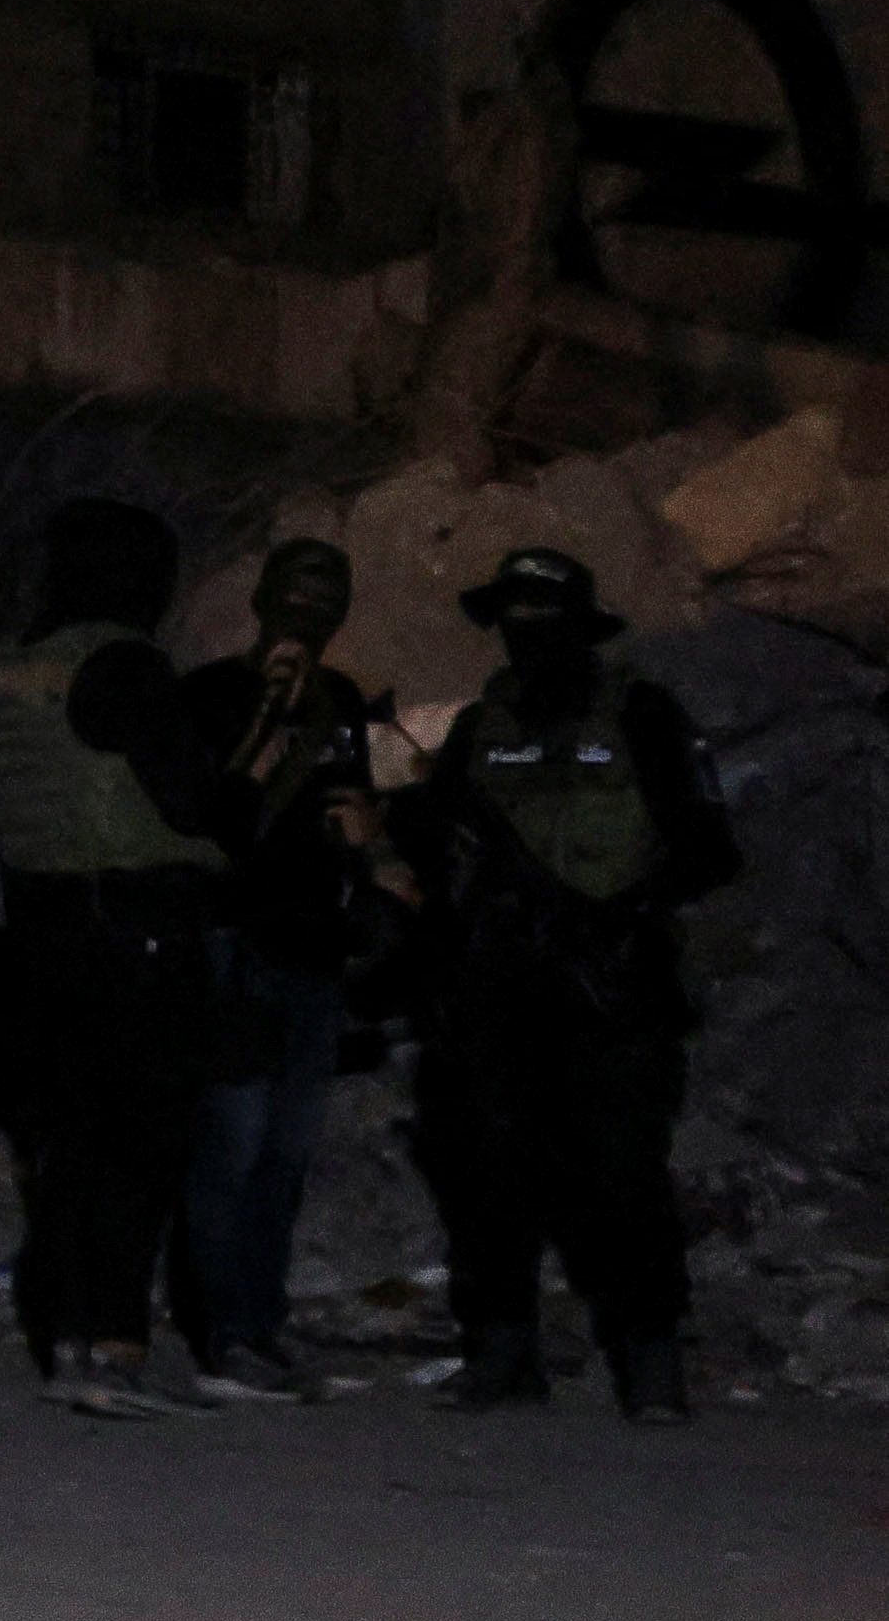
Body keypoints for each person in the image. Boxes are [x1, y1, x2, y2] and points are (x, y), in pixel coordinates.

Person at [394, 547, 741, 1423]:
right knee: (491, 1178)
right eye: (514, 617)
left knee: (622, 1180)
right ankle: (504, 1353)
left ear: (579, 624)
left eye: (542, 615)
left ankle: (651, 1364)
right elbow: (436, 854)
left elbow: (708, 847)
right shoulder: (481, 727)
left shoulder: (643, 713)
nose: (526, 635)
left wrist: (617, 916)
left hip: (609, 989)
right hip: (500, 988)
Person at [0, 496, 241, 1419]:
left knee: (71, 1146)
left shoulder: (8, 671)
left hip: (41, 937)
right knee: (140, 1141)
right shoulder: (121, 665)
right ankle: (115, 1348)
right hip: (135, 930)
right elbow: (190, 803)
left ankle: (70, 1344)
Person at [165, 536, 392, 1402]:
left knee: (285, 1155)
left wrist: (364, 841)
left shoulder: (339, 703)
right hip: (236, 944)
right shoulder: (215, 696)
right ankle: (224, 1332)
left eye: (323, 604)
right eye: (295, 600)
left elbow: (357, 807)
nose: (308, 618)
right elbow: (212, 818)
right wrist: (266, 721)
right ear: (262, 603)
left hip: (312, 950)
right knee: (232, 1145)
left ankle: (258, 1321)